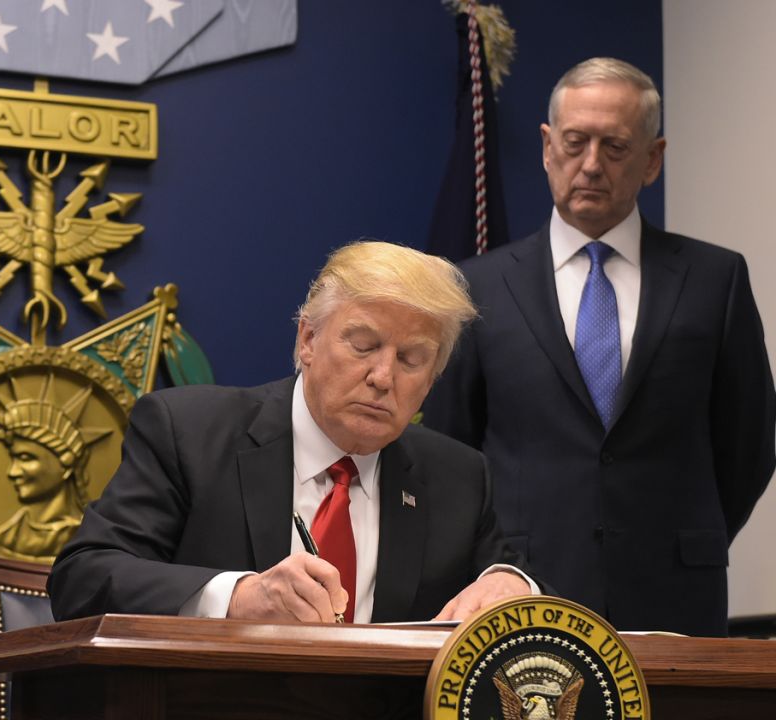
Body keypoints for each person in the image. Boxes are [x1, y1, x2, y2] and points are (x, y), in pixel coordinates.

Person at [423, 57, 776, 637]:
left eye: (614, 146)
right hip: (521, 590)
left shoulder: (716, 279)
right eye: (574, 142)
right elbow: (449, 450)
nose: (590, 164)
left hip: (676, 592)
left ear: (652, 159)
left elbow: (748, 445)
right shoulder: (476, 287)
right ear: (546, 147)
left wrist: (683, 534)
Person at [49, 240, 537, 624]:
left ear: (434, 377)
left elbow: (523, 589)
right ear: (307, 339)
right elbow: (83, 578)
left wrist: (514, 586)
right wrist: (238, 597)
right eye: (364, 346)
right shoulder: (188, 434)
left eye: (412, 359)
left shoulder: (457, 477)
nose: (383, 377)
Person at [0, 379, 110, 557]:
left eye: (26, 458)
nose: (12, 472)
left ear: (66, 464)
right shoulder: (1, 539)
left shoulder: (93, 540)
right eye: (13, 458)